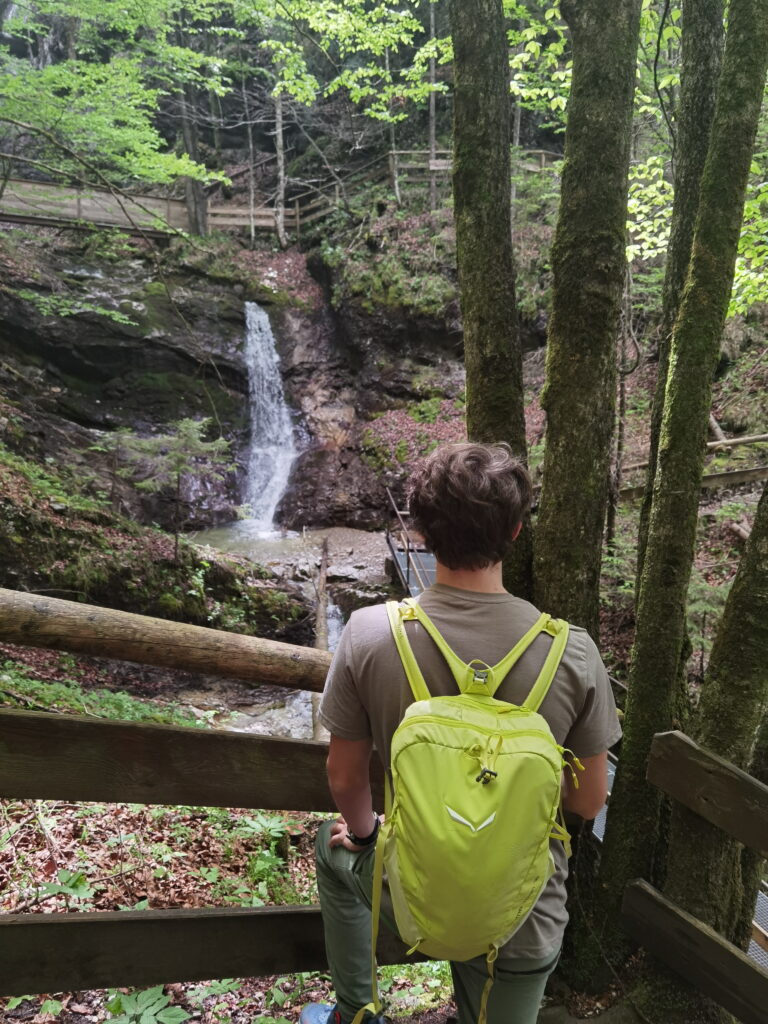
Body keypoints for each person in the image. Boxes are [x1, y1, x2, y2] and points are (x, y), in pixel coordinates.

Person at [300, 442, 621, 1024]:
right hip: (524, 916)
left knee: (333, 846)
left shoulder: (371, 634)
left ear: (421, 532)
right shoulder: (572, 652)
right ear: (517, 531)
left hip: (410, 893)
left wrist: (367, 835)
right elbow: (588, 799)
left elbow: (345, 778)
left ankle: (356, 1009)